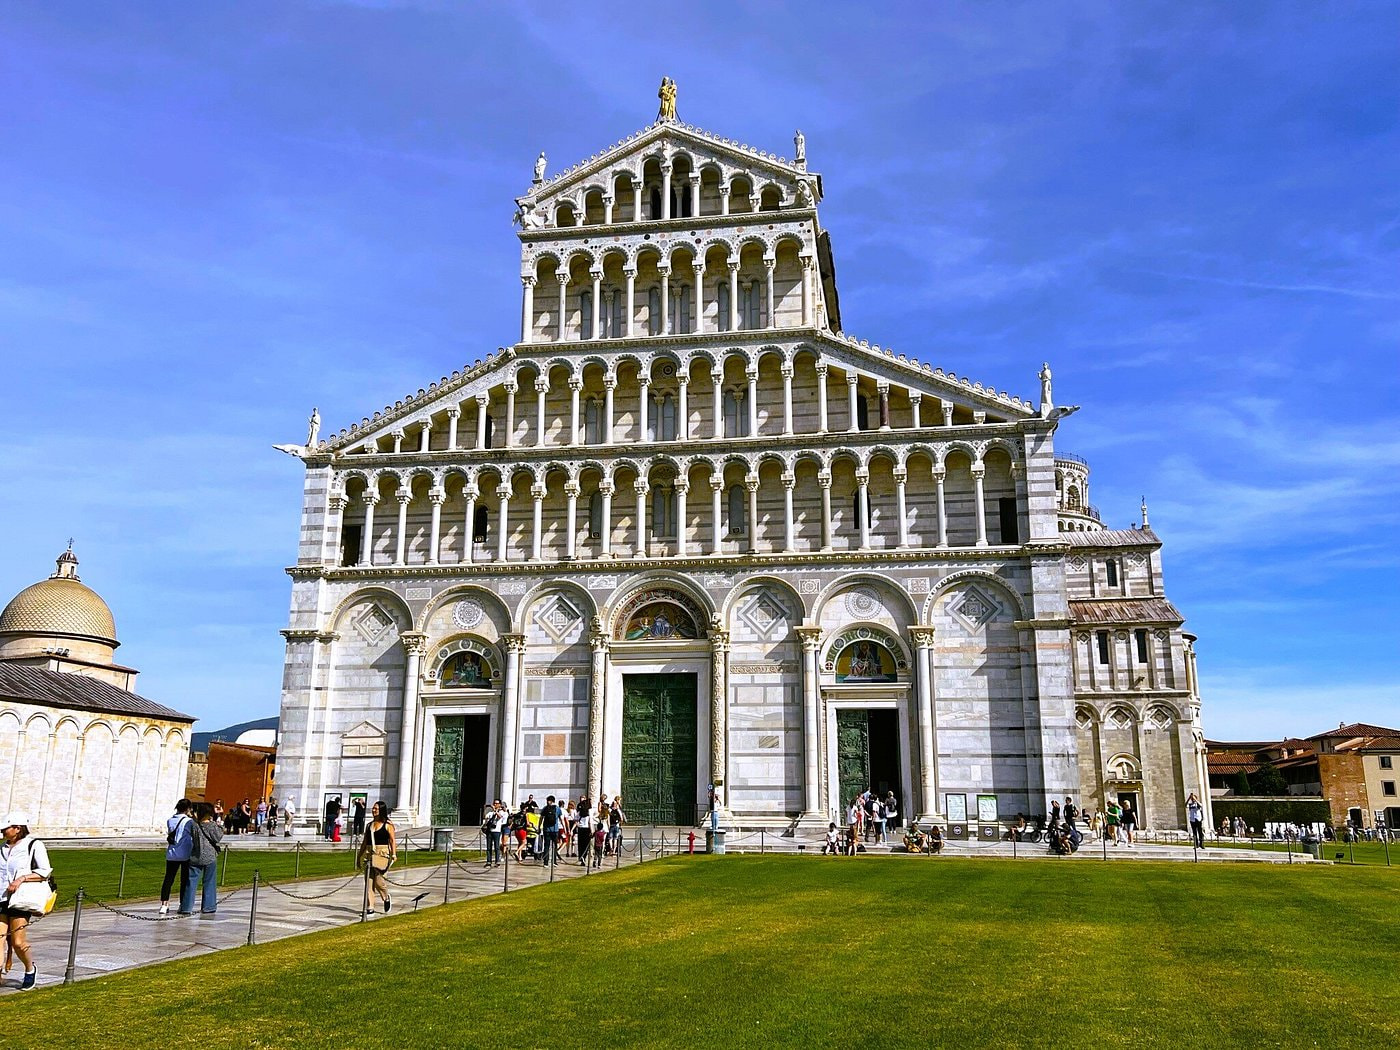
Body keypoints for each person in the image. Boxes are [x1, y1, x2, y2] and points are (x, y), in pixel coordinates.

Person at [1, 813, 51, 991]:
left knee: (17, 942)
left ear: (17, 828)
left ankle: (30, 969)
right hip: (1, 898)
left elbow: (44, 872)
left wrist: (21, 878)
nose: (2, 832)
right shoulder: (3, 848)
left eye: (5, 828)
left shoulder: (33, 845)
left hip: (20, 899)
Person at [185, 802, 224, 915]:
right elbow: (218, 837)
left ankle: (186, 907)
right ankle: (209, 906)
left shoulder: (194, 824)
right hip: (209, 856)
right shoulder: (211, 825)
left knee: (191, 882)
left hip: (195, 855)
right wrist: (219, 824)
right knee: (209, 882)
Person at [358, 801, 397, 914]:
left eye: (376, 809)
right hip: (370, 854)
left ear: (381, 810)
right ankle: (370, 908)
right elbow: (365, 842)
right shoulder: (369, 825)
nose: (373, 810)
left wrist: (393, 854)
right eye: (373, 808)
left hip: (382, 854)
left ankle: (386, 897)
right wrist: (359, 856)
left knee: (379, 881)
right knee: (369, 882)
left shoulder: (388, 825)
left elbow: (392, 840)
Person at [160, 798, 195, 916]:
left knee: (168, 879)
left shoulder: (170, 820)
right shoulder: (189, 821)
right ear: (187, 809)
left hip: (172, 853)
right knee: (184, 880)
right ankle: (182, 903)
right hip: (185, 853)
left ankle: (164, 904)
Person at [540, 795, 563, 865]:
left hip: (546, 830)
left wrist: (538, 827)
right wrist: (565, 828)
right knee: (555, 846)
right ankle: (554, 862)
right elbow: (561, 819)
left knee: (546, 845)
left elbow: (541, 818)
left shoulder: (545, 808)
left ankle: (546, 862)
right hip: (555, 830)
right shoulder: (558, 809)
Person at [483, 800, 507, 867]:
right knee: (488, 847)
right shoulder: (491, 813)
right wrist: (485, 809)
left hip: (496, 831)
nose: (495, 805)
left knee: (496, 847)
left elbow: (499, 817)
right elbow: (485, 817)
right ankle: (489, 861)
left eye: (497, 803)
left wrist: (495, 811)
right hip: (489, 831)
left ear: (499, 804)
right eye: (494, 803)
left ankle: (497, 861)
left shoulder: (502, 812)